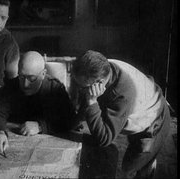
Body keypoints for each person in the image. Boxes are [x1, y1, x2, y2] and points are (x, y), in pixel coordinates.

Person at [70, 50, 171, 179]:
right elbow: (87, 96)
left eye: (83, 87)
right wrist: (76, 121)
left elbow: (105, 139)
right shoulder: (104, 68)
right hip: (140, 106)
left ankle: (149, 165)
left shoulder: (122, 94)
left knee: (129, 169)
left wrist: (91, 101)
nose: (80, 90)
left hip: (154, 121)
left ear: (99, 83)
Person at [0, 51, 76, 153]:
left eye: (31, 78)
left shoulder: (55, 89)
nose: (25, 84)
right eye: (21, 77)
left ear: (43, 74)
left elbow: (70, 120)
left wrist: (41, 126)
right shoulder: (11, 86)